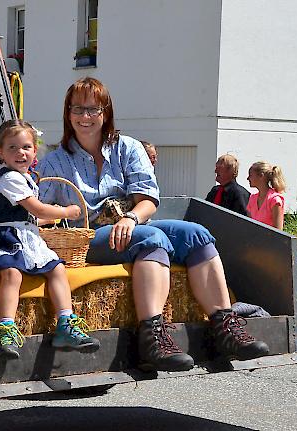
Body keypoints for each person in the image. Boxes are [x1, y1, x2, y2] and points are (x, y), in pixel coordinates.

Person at [37, 77, 269, 372]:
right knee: (152, 239)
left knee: (197, 234)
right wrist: (62, 212)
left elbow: (148, 200)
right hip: (88, 237)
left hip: (132, 224)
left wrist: (131, 217)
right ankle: (153, 338)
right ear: (67, 114)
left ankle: (224, 327)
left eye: (93, 109)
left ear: (105, 112)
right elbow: (40, 212)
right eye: (77, 109)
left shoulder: (128, 148)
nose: (85, 117)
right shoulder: (55, 161)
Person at [0, 119, 100, 360]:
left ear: (35, 150)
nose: (21, 153)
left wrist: (43, 222)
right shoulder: (9, 178)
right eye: (12, 148)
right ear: (0, 152)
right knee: (12, 274)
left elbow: (28, 217)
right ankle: (5, 328)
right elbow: (37, 209)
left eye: (26, 147)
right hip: (4, 238)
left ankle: (65, 322)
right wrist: (66, 212)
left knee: (58, 269)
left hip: (24, 235)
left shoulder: (27, 177)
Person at [246, 161, 286, 229]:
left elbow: (278, 232)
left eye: (250, 175)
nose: (247, 178)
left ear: (261, 176)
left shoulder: (275, 200)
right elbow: (250, 227)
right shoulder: (252, 198)